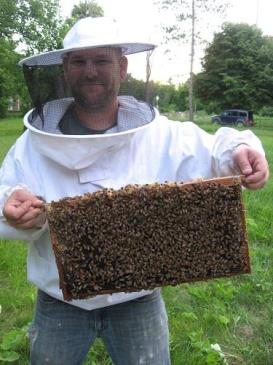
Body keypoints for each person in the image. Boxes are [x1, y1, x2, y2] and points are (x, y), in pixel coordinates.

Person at [0, 17, 269, 365]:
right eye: (79, 61)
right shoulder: (32, 145)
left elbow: (218, 148)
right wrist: (15, 211)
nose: (90, 71)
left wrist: (242, 152)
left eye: (101, 60)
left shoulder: (158, 134)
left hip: (139, 300)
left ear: (122, 68)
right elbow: (7, 194)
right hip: (59, 301)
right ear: (65, 70)